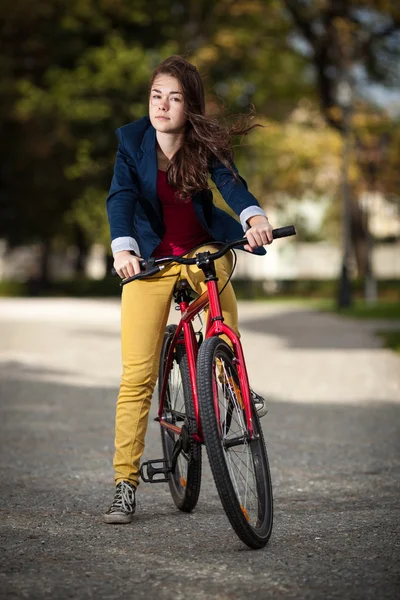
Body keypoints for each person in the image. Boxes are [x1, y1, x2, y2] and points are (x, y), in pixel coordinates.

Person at [104, 55, 273, 524]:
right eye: (157, 95)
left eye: (174, 98)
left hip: (200, 247)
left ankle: (231, 377)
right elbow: (120, 196)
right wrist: (123, 248)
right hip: (151, 259)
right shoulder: (131, 139)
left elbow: (231, 185)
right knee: (136, 377)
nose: (162, 105)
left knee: (221, 302)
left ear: (190, 106)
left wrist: (253, 217)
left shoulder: (206, 141)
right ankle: (124, 484)